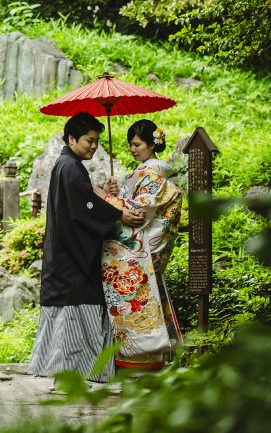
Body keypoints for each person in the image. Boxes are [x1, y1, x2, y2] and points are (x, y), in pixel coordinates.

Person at [28, 112, 145, 381]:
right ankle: (74, 372)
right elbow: (84, 209)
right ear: (71, 139)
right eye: (89, 140)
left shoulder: (67, 165)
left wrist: (107, 197)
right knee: (76, 314)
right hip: (72, 260)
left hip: (63, 256)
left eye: (96, 141)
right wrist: (118, 214)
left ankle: (58, 368)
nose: (94, 146)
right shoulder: (70, 167)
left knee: (66, 318)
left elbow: (85, 201)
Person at [100, 118, 184, 372]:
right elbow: (127, 207)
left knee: (136, 303)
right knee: (136, 305)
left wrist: (106, 200)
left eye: (137, 144)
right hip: (138, 250)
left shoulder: (152, 175)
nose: (133, 149)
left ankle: (137, 359)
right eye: (130, 145)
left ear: (152, 144)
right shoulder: (143, 173)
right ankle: (140, 358)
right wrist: (113, 195)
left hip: (136, 252)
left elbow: (137, 214)